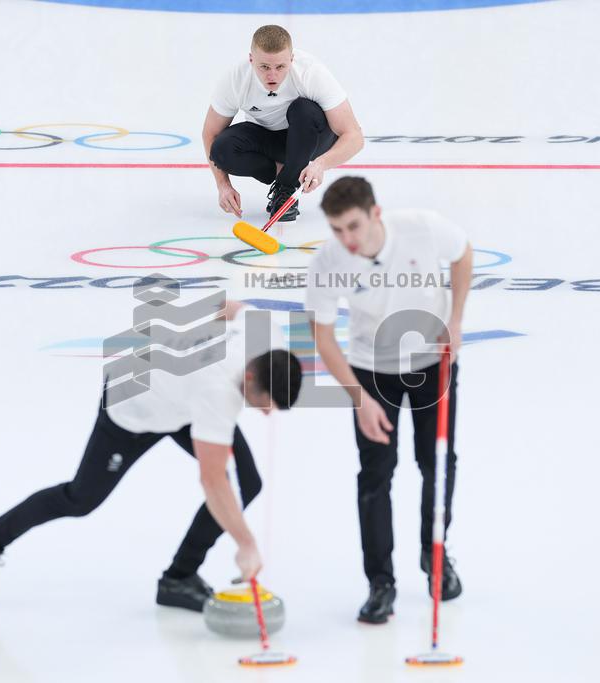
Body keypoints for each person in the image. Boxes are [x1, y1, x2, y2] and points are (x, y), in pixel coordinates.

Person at [0, 300, 303, 612]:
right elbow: (212, 481)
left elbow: (227, 306)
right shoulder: (218, 392)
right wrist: (246, 544)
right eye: (263, 403)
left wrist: (192, 353)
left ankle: (179, 578)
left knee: (246, 483)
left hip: (182, 400)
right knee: (81, 498)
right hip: (132, 405)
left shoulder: (265, 331)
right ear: (249, 375)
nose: (266, 414)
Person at [305, 177, 473, 624]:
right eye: (337, 229)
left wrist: (456, 320)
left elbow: (462, 253)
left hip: (432, 362)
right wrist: (359, 399)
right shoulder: (328, 261)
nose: (346, 239)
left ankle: (435, 554)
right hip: (371, 371)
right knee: (376, 475)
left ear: (375, 213)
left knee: (437, 462)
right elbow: (323, 337)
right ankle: (380, 583)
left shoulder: (422, 227)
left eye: (353, 226)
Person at [203, 24, 364, 223]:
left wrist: (320, 164)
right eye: (264, 67)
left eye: (280, 67)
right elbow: (210, 133)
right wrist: (223, 186)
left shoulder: (310, 72)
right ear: (251, 60)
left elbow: (354, 136)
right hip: (270, 141)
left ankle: (287, 186)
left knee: (302, 109)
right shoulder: (236, 78)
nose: (272, 76)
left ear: (291, 59)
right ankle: (288, 173)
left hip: (312, 137)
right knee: (221, 150)